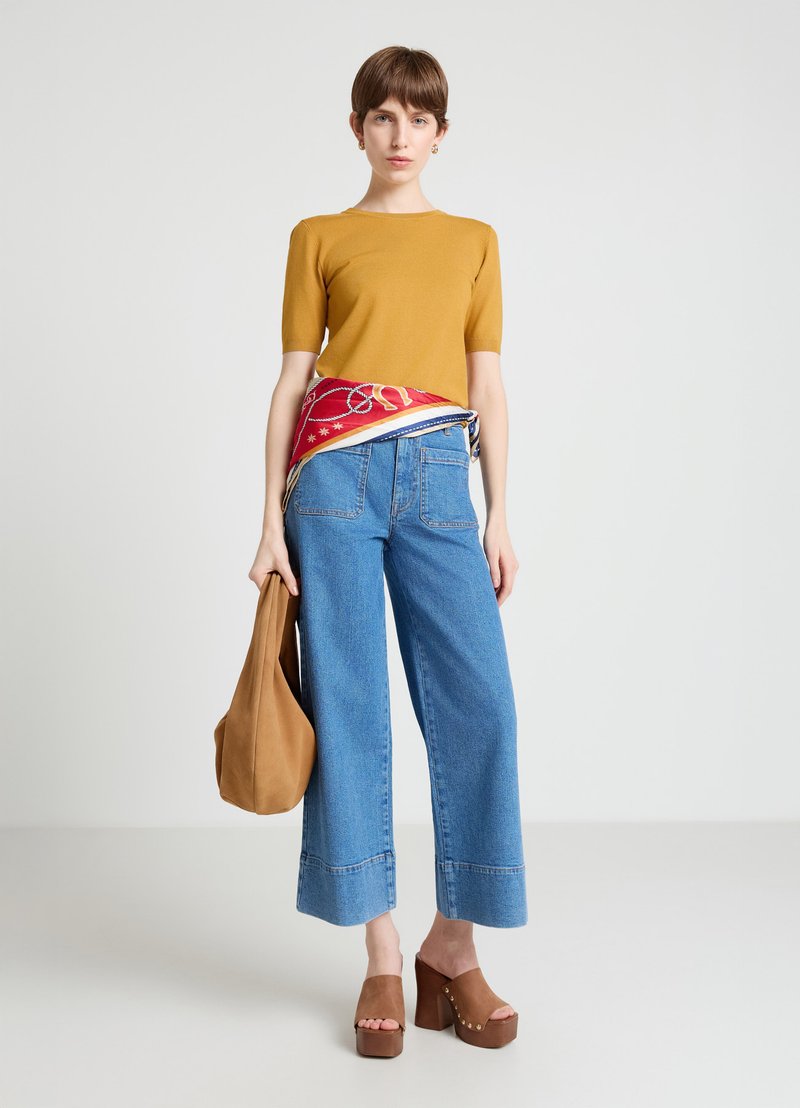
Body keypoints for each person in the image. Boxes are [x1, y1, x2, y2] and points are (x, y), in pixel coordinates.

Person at [249, 45, 527, 1056]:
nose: (399, 135)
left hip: (438, 476)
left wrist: (498, 511)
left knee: (480, 705)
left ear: (440, 134)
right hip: (330, 482)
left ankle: (452, 947)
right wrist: (267, 519)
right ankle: (378, 949)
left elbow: (486, 383)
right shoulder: (318, 236)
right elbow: (292, 379)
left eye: (417, 119)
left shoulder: (473, 241)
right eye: (382, 117)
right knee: (351, 710)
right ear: (357, 129)